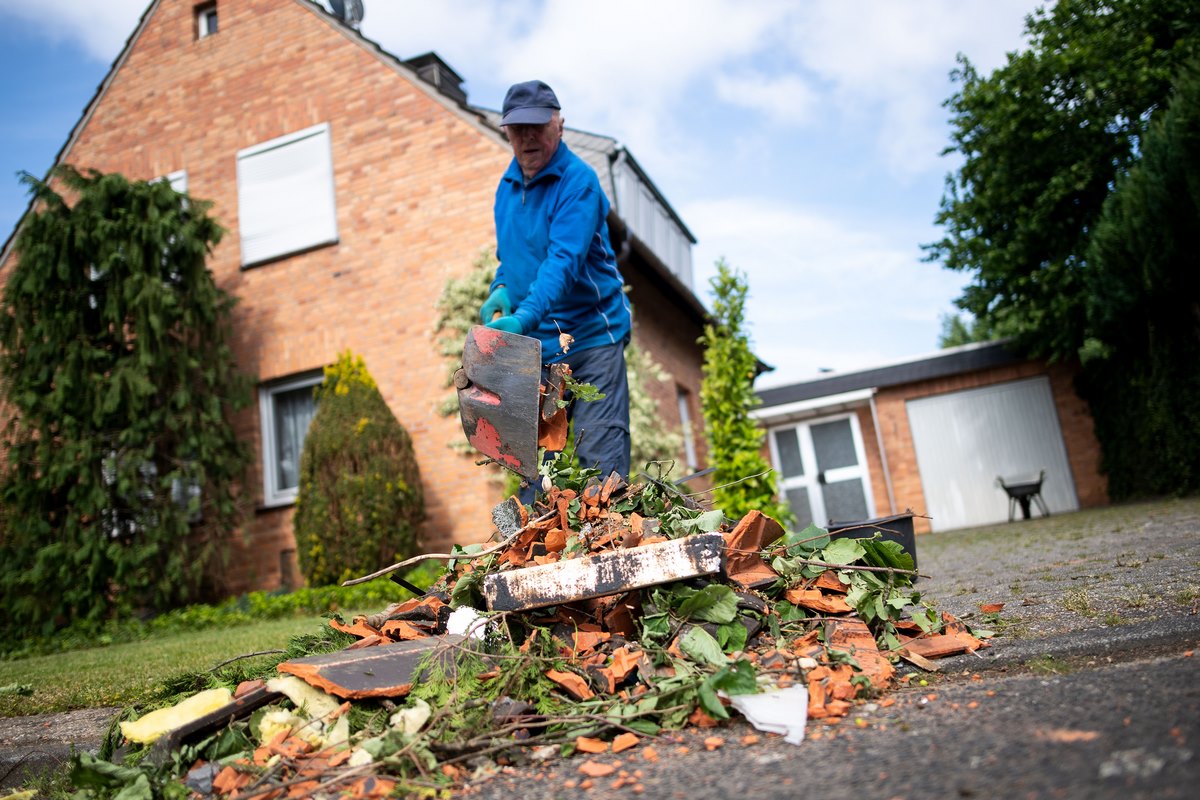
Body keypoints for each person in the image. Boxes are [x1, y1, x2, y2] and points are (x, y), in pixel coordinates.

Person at [480, 79, 632, 487]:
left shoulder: (578, 182)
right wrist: (500, 288)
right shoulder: (506, 189)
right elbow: (512, 258)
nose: (527, 137)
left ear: (559, 125)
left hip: (592, 340)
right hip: (540, 353)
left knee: (602, 470)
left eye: (537, 126)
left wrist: (523, 317)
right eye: (518, 128)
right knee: (539, 478)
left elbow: (563, 262)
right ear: (507, 133)